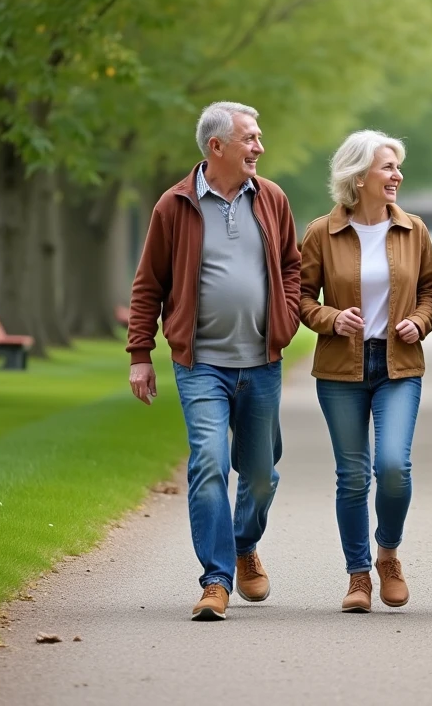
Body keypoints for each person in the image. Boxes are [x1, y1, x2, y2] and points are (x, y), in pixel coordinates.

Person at [126, 101, 302, 621]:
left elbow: (291, 265)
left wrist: (287, 317)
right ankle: (216, 579)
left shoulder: (271, 198)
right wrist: (140, 354)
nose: (259, 147)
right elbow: (148, 284)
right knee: (209, 463)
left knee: (261, 475)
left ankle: (244, 545)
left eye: (259, 137)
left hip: (261, 362)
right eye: (250, 138)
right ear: (216, 146)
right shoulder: (174, 205)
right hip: (200, 364)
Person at [299, 130, 432, 613]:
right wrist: (331, 318)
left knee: (394, 467)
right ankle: (358, 575)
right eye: (388, 167)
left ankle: (388, 555)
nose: (397, 175)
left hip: (398, 365)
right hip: (341, 368)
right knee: (353, 475)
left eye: (398, 167)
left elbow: (431, 291)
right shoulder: (321, 232)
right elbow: (301, 297)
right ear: (359, 177)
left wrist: (420, 321)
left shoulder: (414, 229)